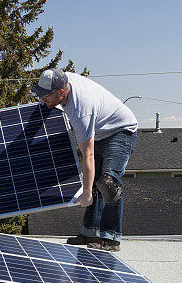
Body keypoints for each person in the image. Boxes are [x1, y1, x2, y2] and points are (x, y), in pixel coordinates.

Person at [31, 69, 137, 252]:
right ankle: (90, 232)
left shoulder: (81, 110)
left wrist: (86, 193)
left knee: (107, 182)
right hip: (102, 131)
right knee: (95, 183)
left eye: (45, 96)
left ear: (61, 92)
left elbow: (87, 154)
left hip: (121, 130)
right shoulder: (62, 79)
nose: (42, 100)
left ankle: (111, 238)